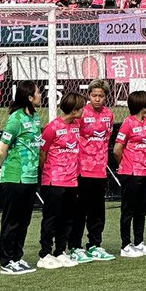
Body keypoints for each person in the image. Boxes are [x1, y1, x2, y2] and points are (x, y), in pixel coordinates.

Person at [0, 81, 43, 275]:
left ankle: (17, 257)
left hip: (30, 178)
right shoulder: (15, 119)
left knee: (24, 220)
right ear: (29, 98)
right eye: (37, 92)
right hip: (16, 178)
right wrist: (5, 168)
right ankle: (6, 262)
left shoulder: (36, 117)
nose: (41, 95)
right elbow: (1, 149)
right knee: (12, 220)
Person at [37, 90, 85, 270]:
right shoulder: (52, 128)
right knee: (51, 218)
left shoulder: (76, 125)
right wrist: (49, 171)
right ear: (73, 110)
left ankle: (60, 251)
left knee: (67, 218)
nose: (83, 111)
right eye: (81, 108)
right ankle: (45, 253)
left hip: (72, 180)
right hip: (54, 181)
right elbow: (42, 152)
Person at [68, 78, 115, 263]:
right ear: (88, 95)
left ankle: (95, 244)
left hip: (100, 169)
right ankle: (75, 246)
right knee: (80, 210)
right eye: (94, 95)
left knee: (98, 210)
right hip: (82, 169)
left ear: (105, 97)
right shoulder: (81, 114)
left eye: (101, 96)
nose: (97, 99)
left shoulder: (108, 115)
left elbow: (106, 139)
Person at [114, 90, 146, 257]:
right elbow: (117, 149)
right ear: (140, 105)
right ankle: (125, 245)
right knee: (128, 210)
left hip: (144, 172)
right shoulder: (128, 123)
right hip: (130, 173)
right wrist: (125, 164)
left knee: (141, 209)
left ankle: (139, 242)